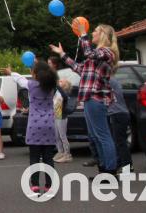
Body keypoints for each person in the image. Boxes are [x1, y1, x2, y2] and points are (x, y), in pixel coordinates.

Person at [51, 24, 120, 177]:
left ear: (102, 35)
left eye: (95, 31)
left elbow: (88, 52)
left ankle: (111, 172)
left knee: (102, 135)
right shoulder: (96, 55)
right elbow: (79, 68)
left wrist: (83, 34)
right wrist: (62, 54)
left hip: (96, 98)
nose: (92, 33)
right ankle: (103, 170)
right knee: (95, 136)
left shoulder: (107, 52)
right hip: (89, 98)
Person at [2, 60, 59, 197]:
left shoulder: (32, 85)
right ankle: (49, 186)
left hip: (35, 126)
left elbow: (20, 79)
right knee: (48, 158)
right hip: (49, 125)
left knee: (34, 157)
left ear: (35, 74)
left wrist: (11, 72)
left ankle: (35, 185)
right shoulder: (52, 86)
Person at [108, 73, 132, 171]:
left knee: (120, 142)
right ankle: (120, 163)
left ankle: (127, 166)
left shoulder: (108, 81)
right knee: (118, 141)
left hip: (117, 113)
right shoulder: (113, 80)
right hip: (120, 113)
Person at [54, 79, 74, 163]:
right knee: (56, 136)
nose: (59, 82)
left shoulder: (64, 93)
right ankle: (60, 152)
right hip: (56, 115)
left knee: (62, 136)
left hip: (62, 117)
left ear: (65, 85)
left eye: (61, 82)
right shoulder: (57, 92)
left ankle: (67, 154)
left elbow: (63, 96)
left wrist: (56, 84)